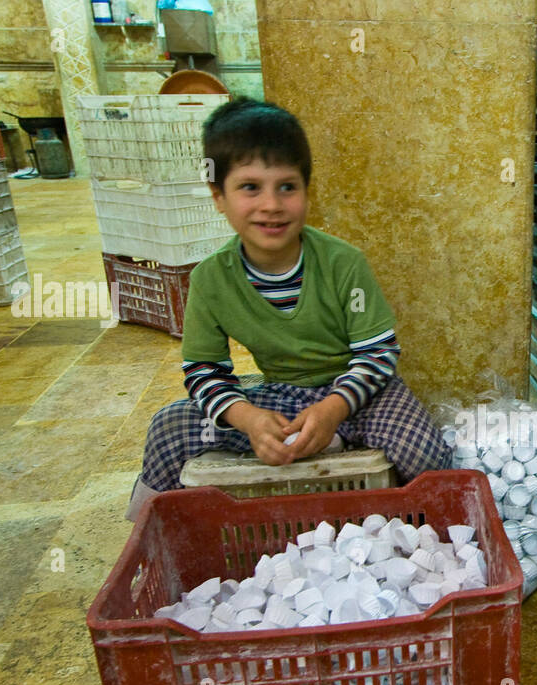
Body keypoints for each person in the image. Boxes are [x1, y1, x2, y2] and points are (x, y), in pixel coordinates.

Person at [126, 98, 451, 519]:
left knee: (420, 445)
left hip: (360, 398)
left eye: (287, 186)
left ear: (306, 192)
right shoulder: (210, 279)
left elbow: (378, 353)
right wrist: (248, 419)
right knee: (169, 428)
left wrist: (333, 408)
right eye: (249, 187)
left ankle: (447, 533)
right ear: (218, 196)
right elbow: (204, 370)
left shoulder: (342, 263)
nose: (271, 205)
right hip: (279, 399)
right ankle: (154, 543)